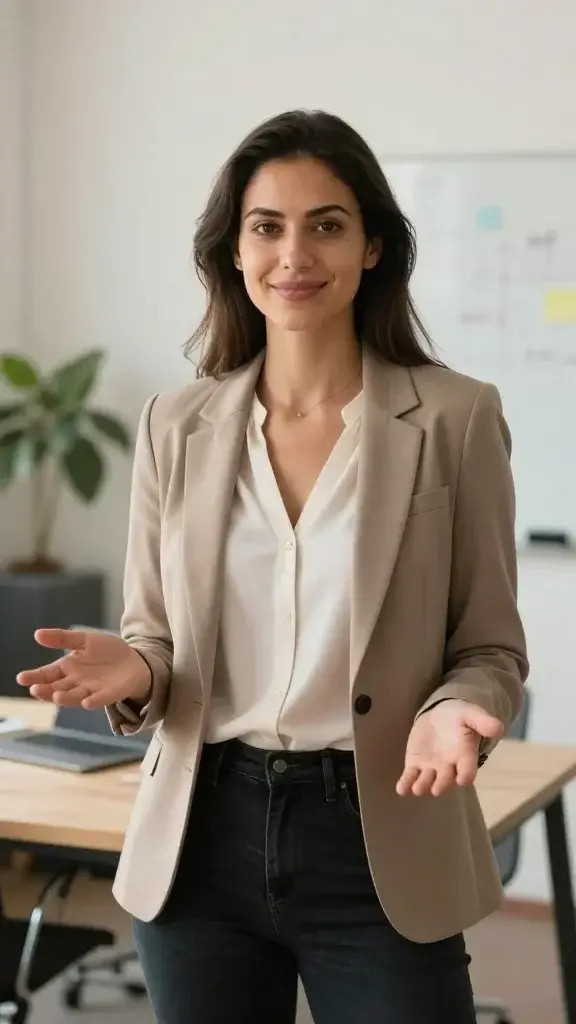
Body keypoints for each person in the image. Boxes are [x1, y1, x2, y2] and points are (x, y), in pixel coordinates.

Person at [17, 109, 528, 1023]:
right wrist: (136, 667)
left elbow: (489, 644)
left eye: (326, 224)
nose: (295, 253)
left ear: (372, 245)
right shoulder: (175, 423)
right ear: (234, 249)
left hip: (378, 837)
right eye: (268, 226)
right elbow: (156, 636)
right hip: (199, 836)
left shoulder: (455, 418)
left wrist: (458, 713)